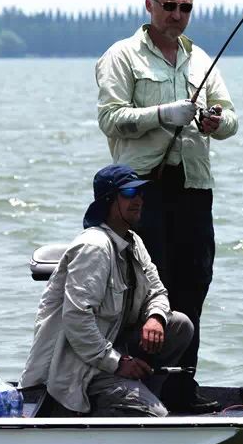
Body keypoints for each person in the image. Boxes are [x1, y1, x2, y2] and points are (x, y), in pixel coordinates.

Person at [94, 0, 238, 413]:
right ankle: (140, 386)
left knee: (194, 284)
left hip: (194, 188)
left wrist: (215, 122)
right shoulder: (121, 56)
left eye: (185, 7)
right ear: (149, 5)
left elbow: (231, 117)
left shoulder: (201, 60)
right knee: (148, 291)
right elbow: (110, 118)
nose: (177, 14)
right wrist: (162, 114)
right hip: (143, 190)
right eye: (169, 5)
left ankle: (182, 389)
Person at [20, 164, 194, 417]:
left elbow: (157, 291)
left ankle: (137, 391)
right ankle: (90, 407)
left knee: (178, 325)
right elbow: (77, 319)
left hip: (110, 354)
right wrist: (118, 363)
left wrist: (155, 318)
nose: (139, 200)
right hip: (77, 371)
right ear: (109, 200)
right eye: (130, 193)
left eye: (141, 193)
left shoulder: (133, 242)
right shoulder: (94, 247)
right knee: (154, 416)